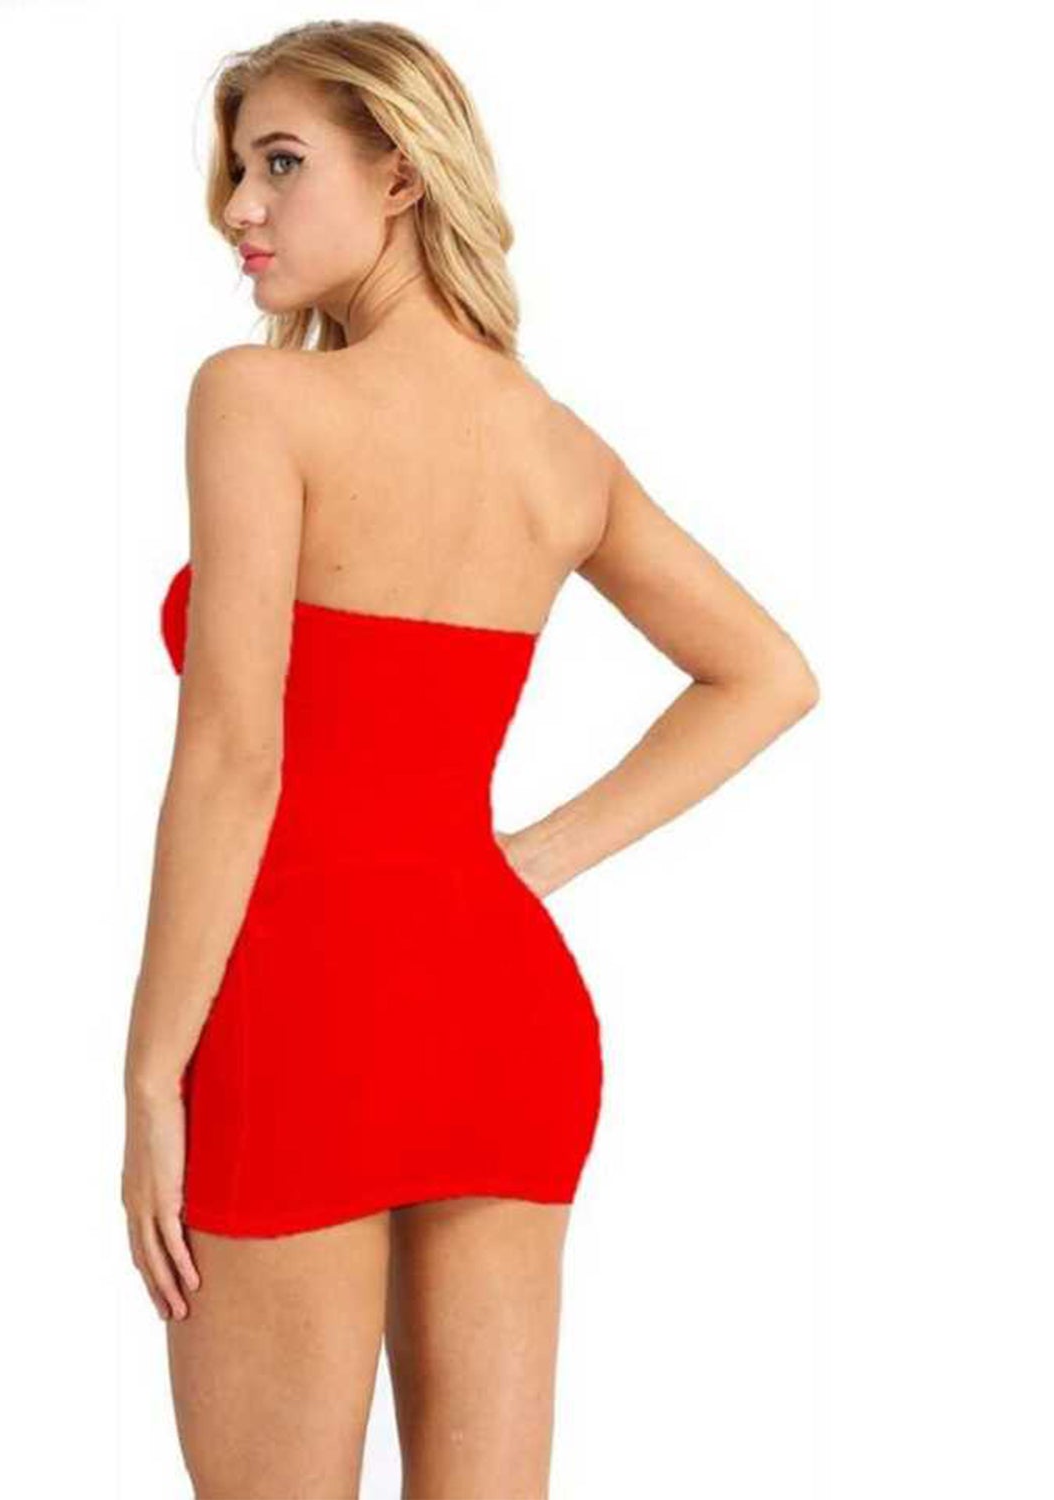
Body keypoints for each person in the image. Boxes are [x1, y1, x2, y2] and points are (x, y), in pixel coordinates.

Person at [121, 20, 819, 1498]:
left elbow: (238, 757)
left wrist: (149, 1079)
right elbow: (764, 674)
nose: (239, 207)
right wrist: (512, 869)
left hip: (298, 1013)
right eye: (237, 170)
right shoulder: (556, 448)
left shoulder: (256, 400)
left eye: (280, 163)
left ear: (401, 175)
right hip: (499, 1012)